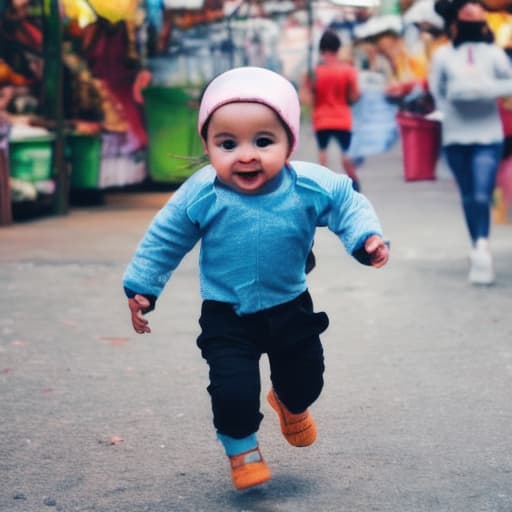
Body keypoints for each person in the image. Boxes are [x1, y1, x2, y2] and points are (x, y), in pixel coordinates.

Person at [123, 66, 389, 491]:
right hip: (227, 314)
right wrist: (143, 286)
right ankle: (242, 449)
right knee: (232, 390)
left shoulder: (308, 185)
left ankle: (290, 403)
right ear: (208, 145)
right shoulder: (202, 192)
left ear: (288, 143)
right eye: (227, 143)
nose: (245, 154)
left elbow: (346, 202)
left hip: (290, 307)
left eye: (263, 141)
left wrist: (367, 239)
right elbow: (165, 237)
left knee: (306, 379)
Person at [429, 0, 512, 285]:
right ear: (455, 22)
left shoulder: (495, 54)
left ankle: (482, 247)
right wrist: (450, 104)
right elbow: (436, 90)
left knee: (480, 194)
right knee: (467, 196)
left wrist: (488, 89)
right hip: (455, 135)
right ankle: (477, 243)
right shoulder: (442, 55)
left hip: (488, 135)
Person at [300, 30, 362, 190]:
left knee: (322, 154)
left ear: (321, 49)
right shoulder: (348, 70)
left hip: (321, 119)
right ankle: (354, 184)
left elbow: (305, 98)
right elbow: (356, 95)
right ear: (338, 48)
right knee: (346, 154)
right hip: (343, 117)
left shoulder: (313, 73)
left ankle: (324, 186)